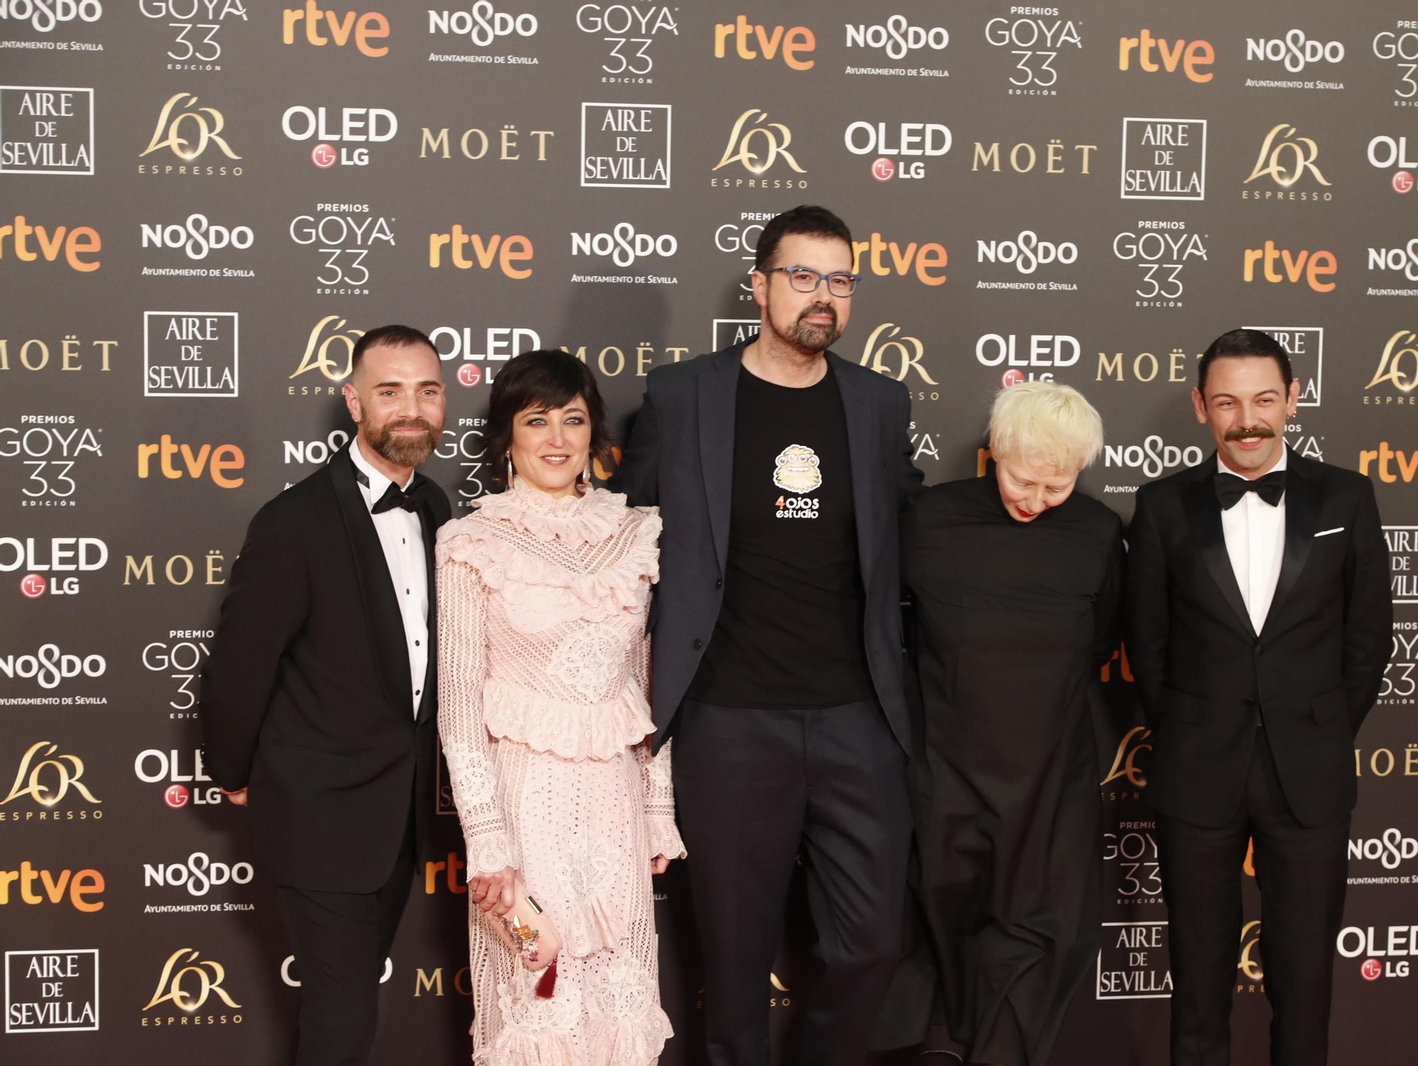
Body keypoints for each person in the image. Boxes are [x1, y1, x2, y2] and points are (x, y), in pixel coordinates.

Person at [609, 204, 925, 1066]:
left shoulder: (878, 404)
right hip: (728, 721)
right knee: (735, 970)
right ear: (759, 285)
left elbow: (911, 537)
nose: (821, 297)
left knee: (870, 947)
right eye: (802, 277)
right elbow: (625, 543)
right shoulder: (683, 397)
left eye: (839, 281)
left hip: (859, 720)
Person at [1123, 329, 1391, 1066]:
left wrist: (1323, 727)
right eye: (1229, 402)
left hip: (1310, 775)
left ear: (1293, 401)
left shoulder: (1347, 495)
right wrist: (1189, 724)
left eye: (1265, 399)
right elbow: (1146, 643)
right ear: (1201, 407)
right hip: (1196, 772)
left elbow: (1369, 640)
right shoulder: (1161, 506)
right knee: (1197, 987)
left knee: (1305, 984)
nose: (1248, 419)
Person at [200, 325, 451, 1066]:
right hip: (318, 815)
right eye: (390, 391)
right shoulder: (295, 521)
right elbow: (239, 667)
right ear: (353, 402)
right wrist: (235, 773)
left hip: (400, 819)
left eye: (428, 391)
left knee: (341, 1017)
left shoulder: (441, 511)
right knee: (342, 1026)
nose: (412, 408)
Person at [434, 350, 683, 1065]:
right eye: (535, 420)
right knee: (537, 986)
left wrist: (657, 808)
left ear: (594, 433)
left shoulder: (637, 533)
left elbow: (647, 684)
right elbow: (458, 707)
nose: (556, 438)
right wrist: (486, 836)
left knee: (618, 991)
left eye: (573, 419)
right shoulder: (470, 542)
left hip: (613, 798)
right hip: (522, 803)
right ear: (506, 437)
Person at [885, 381, 1122, 1065]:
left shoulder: (1099, 532)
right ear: (995, 452)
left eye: (1058, 487)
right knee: (936, 917)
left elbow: (1101, 642)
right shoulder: (929, 520)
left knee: (1043, 929)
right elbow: (891, 633)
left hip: (1050, 774)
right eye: (1024, 479)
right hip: (944, 766)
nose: (1036, 500)